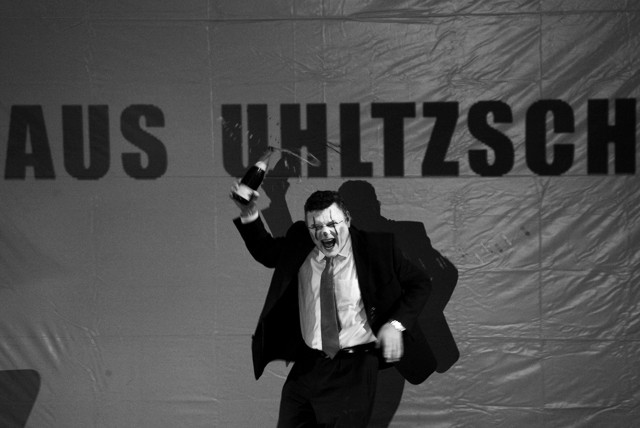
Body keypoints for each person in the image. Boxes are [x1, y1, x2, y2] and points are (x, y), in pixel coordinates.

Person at [231, 185, 433, 427]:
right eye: (315, 227)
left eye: (332, 224)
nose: (324, 233)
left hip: (355, 367)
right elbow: (266, 251)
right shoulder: (300, 242)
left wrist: (395, 325)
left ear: (347, 219)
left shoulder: (377, 249)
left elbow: (420, 284)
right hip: (308, 364)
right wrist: (248, 211)